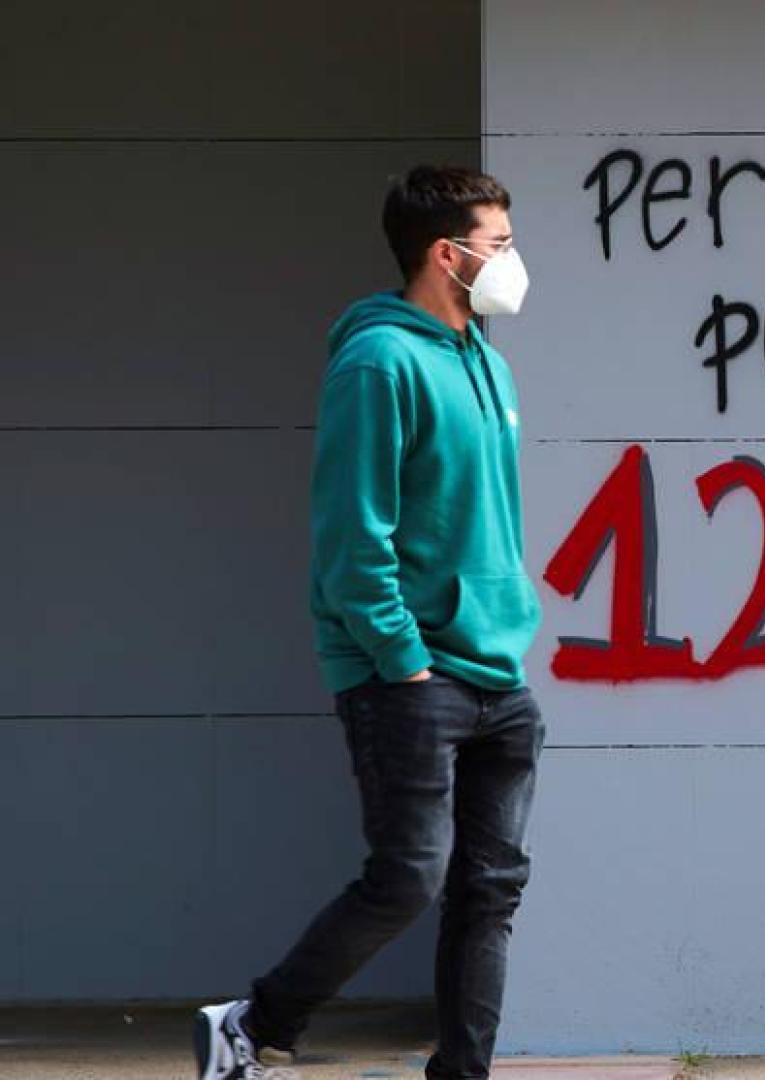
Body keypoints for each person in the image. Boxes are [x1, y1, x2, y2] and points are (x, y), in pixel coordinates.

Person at [195, 164, 545, 1080]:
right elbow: (353, 531)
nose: (513, 263)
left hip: (500, 672)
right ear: (447, 253)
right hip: (413, 674)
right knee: (409, 878)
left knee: (489, 893)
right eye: (499, 245)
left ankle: (463, 1074)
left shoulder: (489, 364)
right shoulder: (378, 360)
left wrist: (511, 629)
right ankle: (255, 1019)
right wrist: (403, 659)